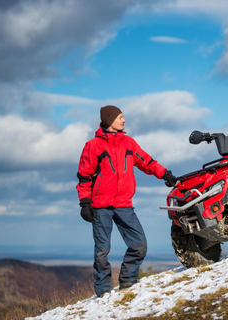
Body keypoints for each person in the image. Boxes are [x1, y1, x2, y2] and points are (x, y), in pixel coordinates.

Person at [76, 105, 177, 297]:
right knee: (102, 251)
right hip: (100, 206)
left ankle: (128, 281)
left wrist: (164, 174)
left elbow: (147, 162)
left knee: (139, 244)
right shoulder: (93, 146)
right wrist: (85, 203)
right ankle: (104, 291)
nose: (124, 120)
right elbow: (84, 176)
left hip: (124, 204)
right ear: (109, 120)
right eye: (120, 117)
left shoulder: (128, 143)